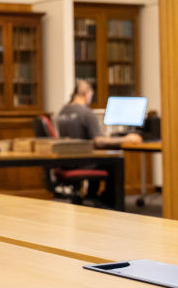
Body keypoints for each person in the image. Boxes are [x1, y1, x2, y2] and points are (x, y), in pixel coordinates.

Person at [55, 79, 141, 208]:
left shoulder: (62, 111)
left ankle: (92, 196)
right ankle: (110, 203)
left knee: (104, 159)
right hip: (84, 162)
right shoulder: (86, 113)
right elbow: (99, 142)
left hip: (66, 162)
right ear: (87, 93)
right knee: (114, 160)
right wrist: (126, 138)